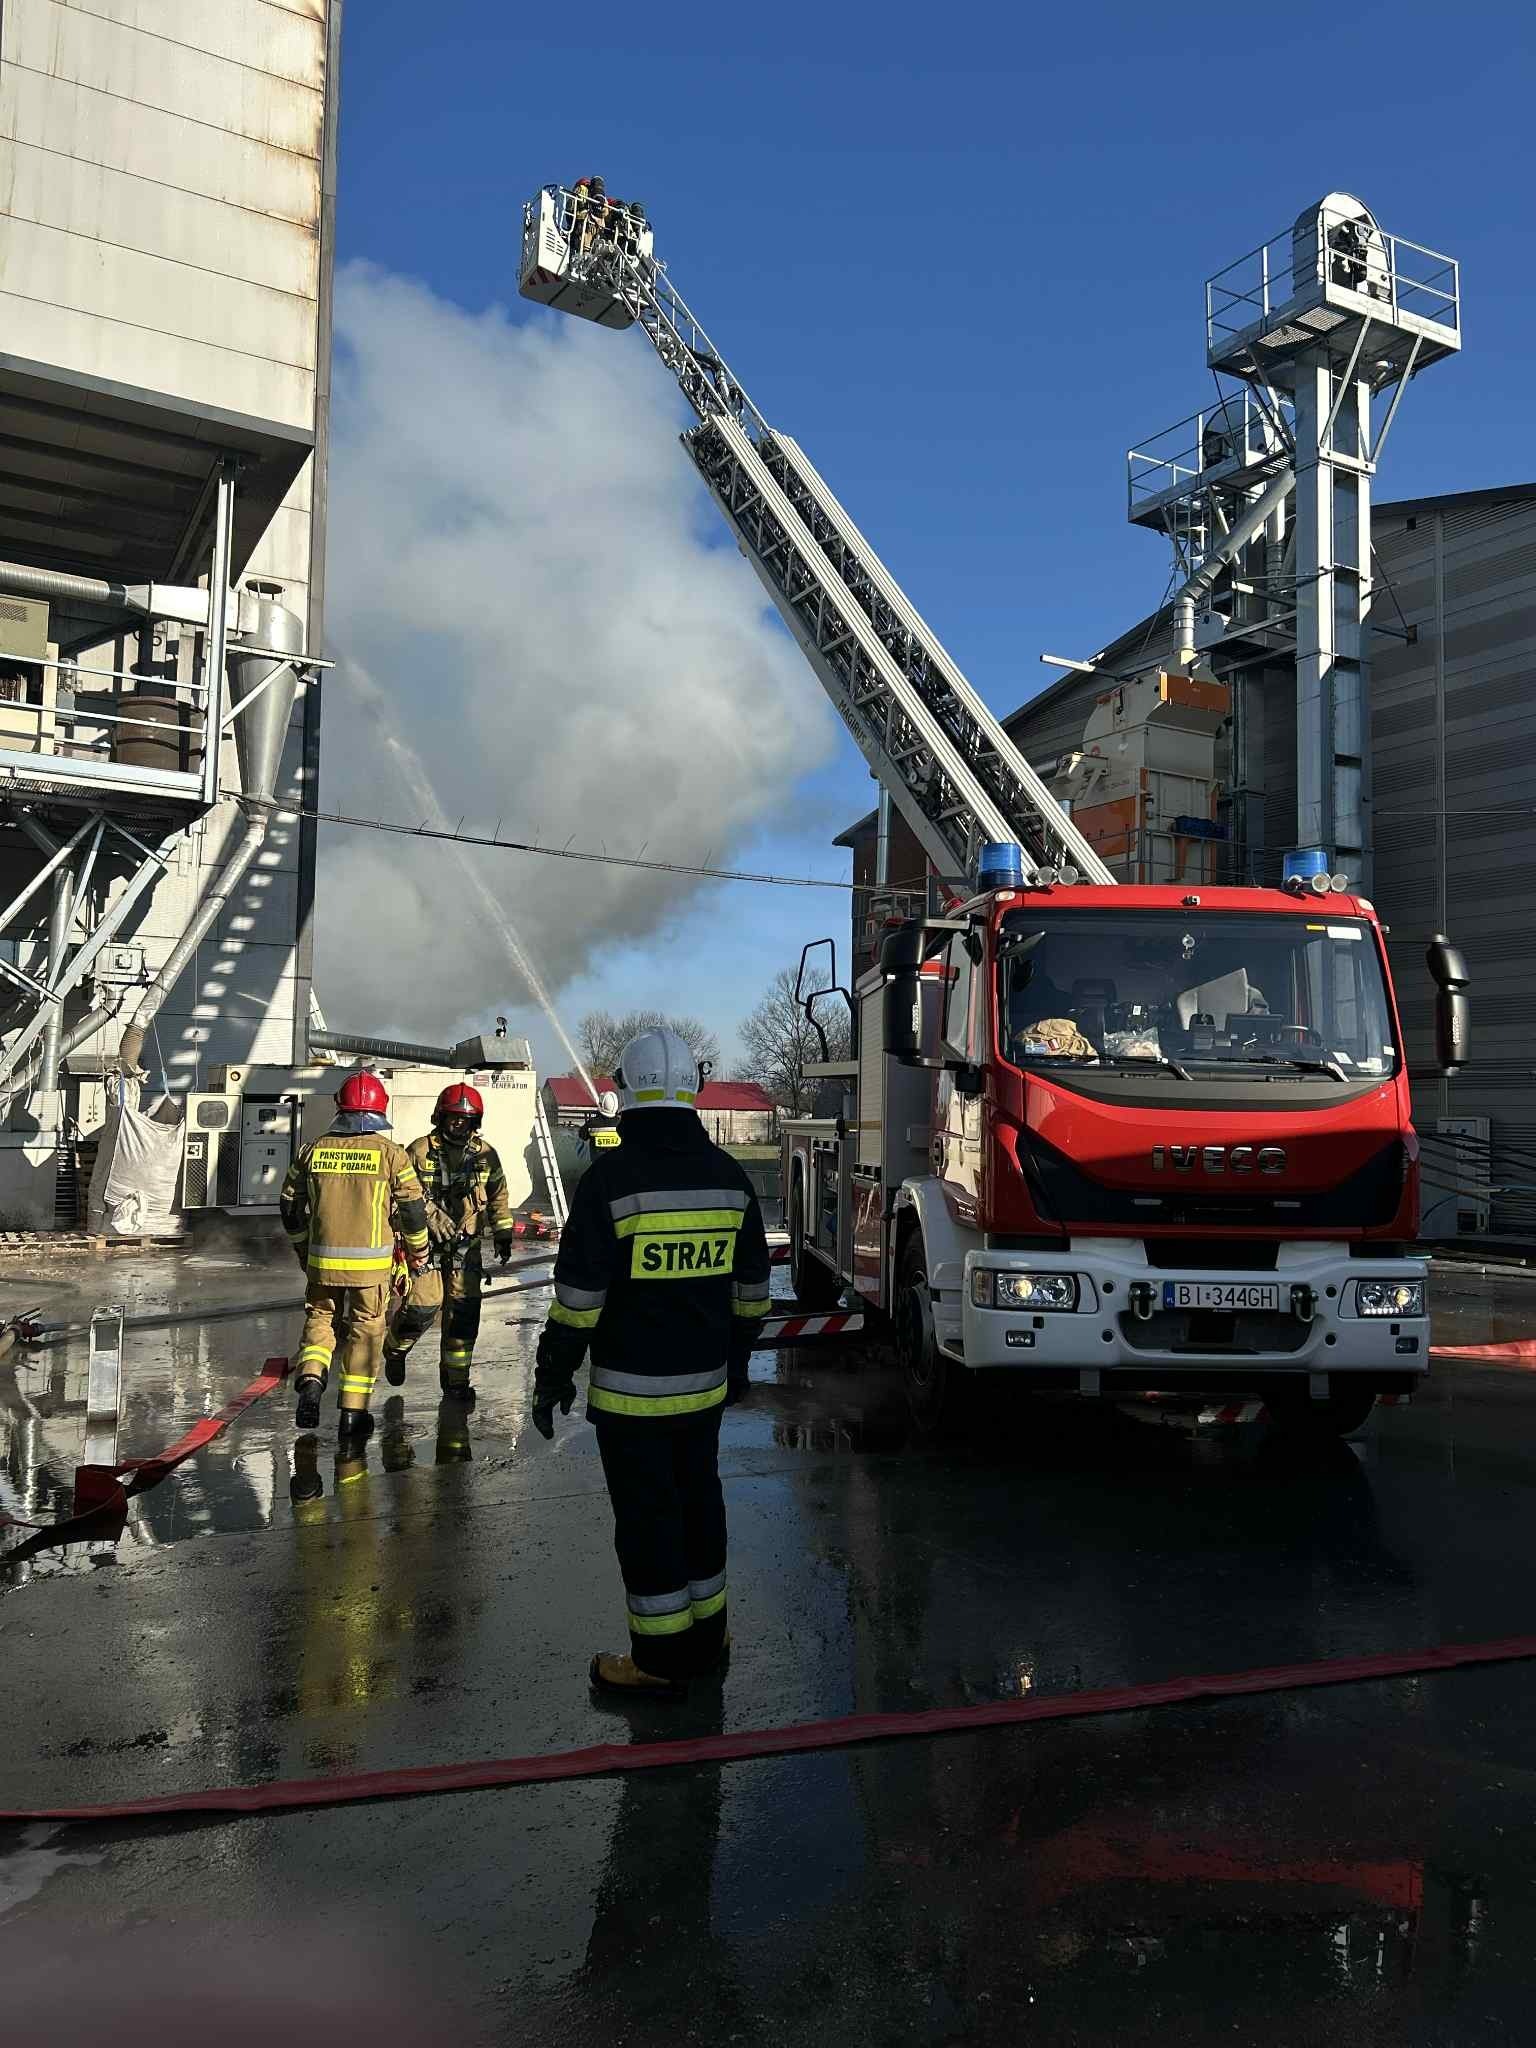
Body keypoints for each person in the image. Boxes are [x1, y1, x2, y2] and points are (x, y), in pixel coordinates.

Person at [531, 1026, 772, 1698]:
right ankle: (709, 1634)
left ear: (622, 1089)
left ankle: (661, 1662)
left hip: (632, 1398)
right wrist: (738, 1362)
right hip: (704, 1392)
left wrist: (552, 1375)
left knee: (648, 1521)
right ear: (694, 1088)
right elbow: (753, 1291)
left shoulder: (608, 1181)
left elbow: (579, 1303)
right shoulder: (730, 1178)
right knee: (701, 1504)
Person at [281, 1072, 430, 1442]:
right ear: (380, 1110)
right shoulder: (392, 1155)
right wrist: (418, 1253)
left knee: (319, 1323)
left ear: (340, 1107)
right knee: (365, 1332)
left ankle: (312, 1382)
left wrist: (303, 1248)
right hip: (370, 1271)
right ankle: (353, 1415)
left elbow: (288, 1205)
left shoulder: (312, 1150)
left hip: (321, 1265)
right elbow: (412, 1211)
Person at [381, 1082, 514, 1403]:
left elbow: (498, 1195)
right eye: (453, 1117)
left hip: (465, 1250)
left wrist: (503, 1233)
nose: (458, 1123)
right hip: (424, 1247)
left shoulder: (486, 1155)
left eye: (465, 1118)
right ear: (441, 1116)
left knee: (464, 1316)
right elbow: (398, 1197)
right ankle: (395, 1350)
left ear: (475, 1121)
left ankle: (456, 1382)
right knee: (422, 1309)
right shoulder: (419, 1150)